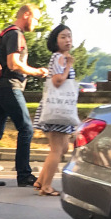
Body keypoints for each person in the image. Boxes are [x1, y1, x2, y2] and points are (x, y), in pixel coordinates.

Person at [0, 3, 47, 187]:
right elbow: (13, 64)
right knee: (26, 129)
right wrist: (37, 72)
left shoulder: (6, 32)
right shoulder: (16, 34)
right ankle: (24, 175)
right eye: (36, 18)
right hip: (10, 86)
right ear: (27, 15)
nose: (36, 23)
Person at [32, 24, 79, 197]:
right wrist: (68, 66)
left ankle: (40, 181)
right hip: (57, 109)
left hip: (59, 108)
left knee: (63, 147)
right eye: (63, 37)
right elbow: (57, 81)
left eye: (69, 36)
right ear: (56, 40)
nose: (68, 40)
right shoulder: (59, 58)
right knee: (57, 149)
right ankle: (46, 186)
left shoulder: (61, 57)